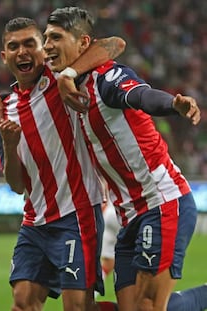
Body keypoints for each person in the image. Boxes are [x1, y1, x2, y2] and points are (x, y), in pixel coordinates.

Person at [42, 7, 206, 311]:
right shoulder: (59, 83)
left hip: (161, 201)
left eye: (55, 37)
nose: (46, 45)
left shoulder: (107, 78)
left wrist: (173, 103)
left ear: (82, 44)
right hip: (128, 216)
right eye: (45, 38)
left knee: (147, 306)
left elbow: (141, 94)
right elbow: (112, 42)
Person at [0, 16, 126, 311]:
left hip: (76, 213)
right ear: (5, 56)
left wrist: (69, 74)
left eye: (30, 43)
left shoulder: (59, 79)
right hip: (35, 221)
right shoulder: (3, 110)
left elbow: (115, 44)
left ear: (43, 49)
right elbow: (17, 186)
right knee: (22, 303)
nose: (22, 52)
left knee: (78, 307)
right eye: (13, 47)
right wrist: (9, 144)